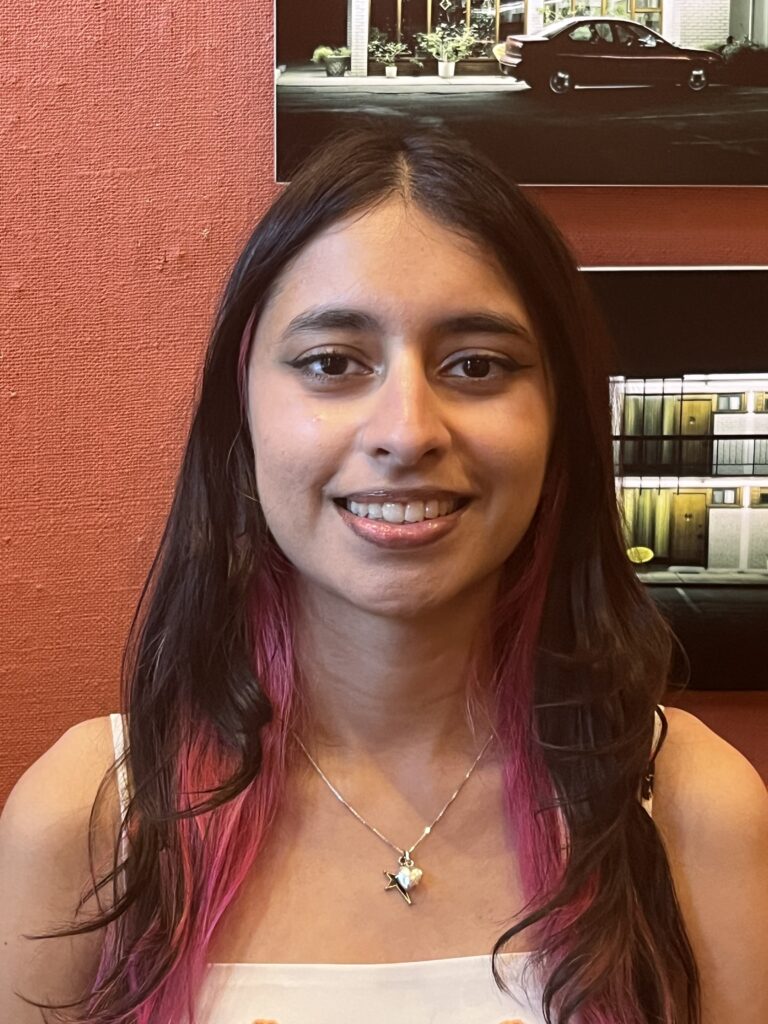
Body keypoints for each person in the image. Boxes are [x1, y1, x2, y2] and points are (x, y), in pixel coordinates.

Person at [1, 124, 767, 1024]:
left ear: (561, 421)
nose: (406, 432)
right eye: (332, 363)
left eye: (476, 365)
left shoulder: (693, 808)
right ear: (240, 417)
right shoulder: (93, 817)